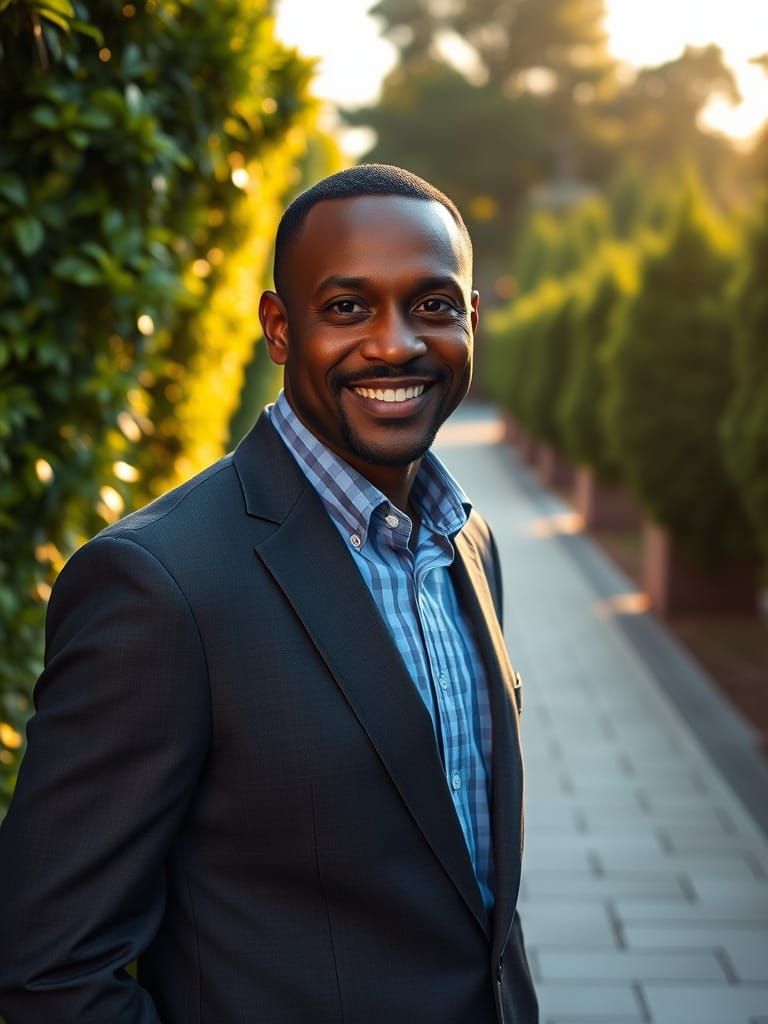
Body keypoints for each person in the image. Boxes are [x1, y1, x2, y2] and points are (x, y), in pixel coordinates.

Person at [0, 164, 538, 1023]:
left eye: (433, 306)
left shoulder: (469, 540)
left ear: (472, 322)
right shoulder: (157, 584)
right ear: (279, 329)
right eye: (348, 307)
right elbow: (51, 968)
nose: (397, 344)